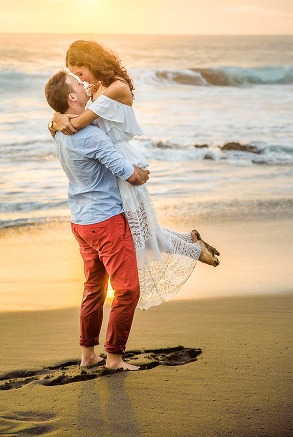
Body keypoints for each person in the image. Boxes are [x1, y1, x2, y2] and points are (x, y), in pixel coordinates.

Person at [50, 40, 219, 310]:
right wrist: (56, 118)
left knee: (139, 231)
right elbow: (78, 122)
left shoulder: (116, 87)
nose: (81, 81)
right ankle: (190, 241)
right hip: (106, 160)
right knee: (138, 228)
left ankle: (192, 248)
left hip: (118, 160)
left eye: (80, 73)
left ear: (91, 63)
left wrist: (57, 119)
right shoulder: (99, 85)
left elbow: (79, 123)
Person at [44, 70, 150, 370]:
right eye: (79, 84)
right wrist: (143, 173)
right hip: (106, 222)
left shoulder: (60, 133)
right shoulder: (91, 136)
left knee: (94, 287)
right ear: (72, 98)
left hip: (81, 223)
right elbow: (128, 174)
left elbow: (55, 124)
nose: (85, 84)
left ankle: (88, 355)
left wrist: (56, 118)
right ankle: (114, 357)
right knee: (128, 289)